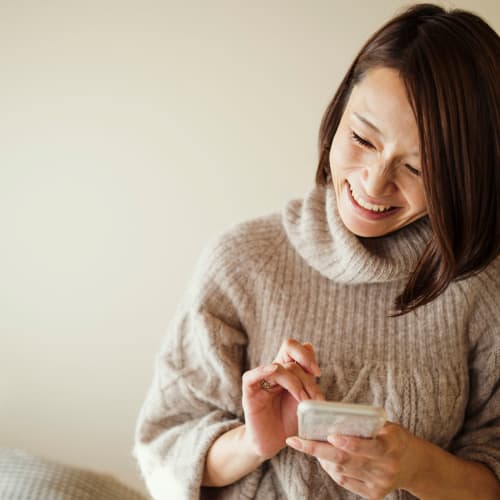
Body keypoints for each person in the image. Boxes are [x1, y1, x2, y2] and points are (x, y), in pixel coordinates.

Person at [134, 3, 499, 499]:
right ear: (338, 111)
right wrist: (255, 440)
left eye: (418, 169)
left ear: (466, 177)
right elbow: (165, 446)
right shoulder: (242, 261)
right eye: (361, 138)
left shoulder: (480, 288)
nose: (374, 183)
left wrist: (416, 467)